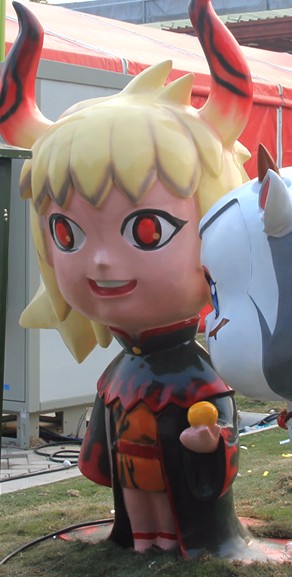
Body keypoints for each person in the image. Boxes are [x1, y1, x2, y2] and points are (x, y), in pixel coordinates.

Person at [0, 0, 256, 558]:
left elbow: (220, 436)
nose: (100, 262)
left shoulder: (200, 377)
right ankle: (139, 539)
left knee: (176, 498)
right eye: (67, 233)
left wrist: (210, 442)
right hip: (135, 460)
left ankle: (189, 541)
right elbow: (103, 433)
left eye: (146, 230)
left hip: (181, 453)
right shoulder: (121, 372)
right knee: (137, 497)